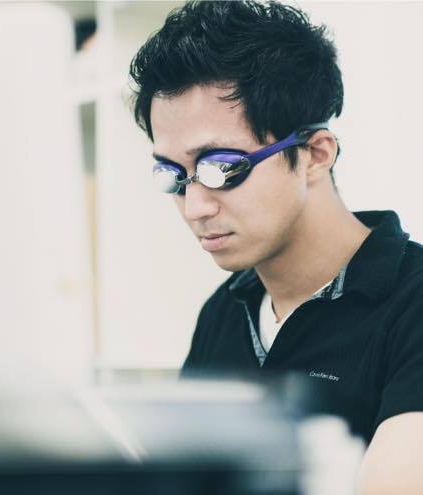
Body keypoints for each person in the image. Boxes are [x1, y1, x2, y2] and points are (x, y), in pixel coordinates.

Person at [129, 1, 423, 493]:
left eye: (221, 167)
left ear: (315, 154)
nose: (195, 207)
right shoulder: (224, 312)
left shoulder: (412, 305)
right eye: (173, 174)